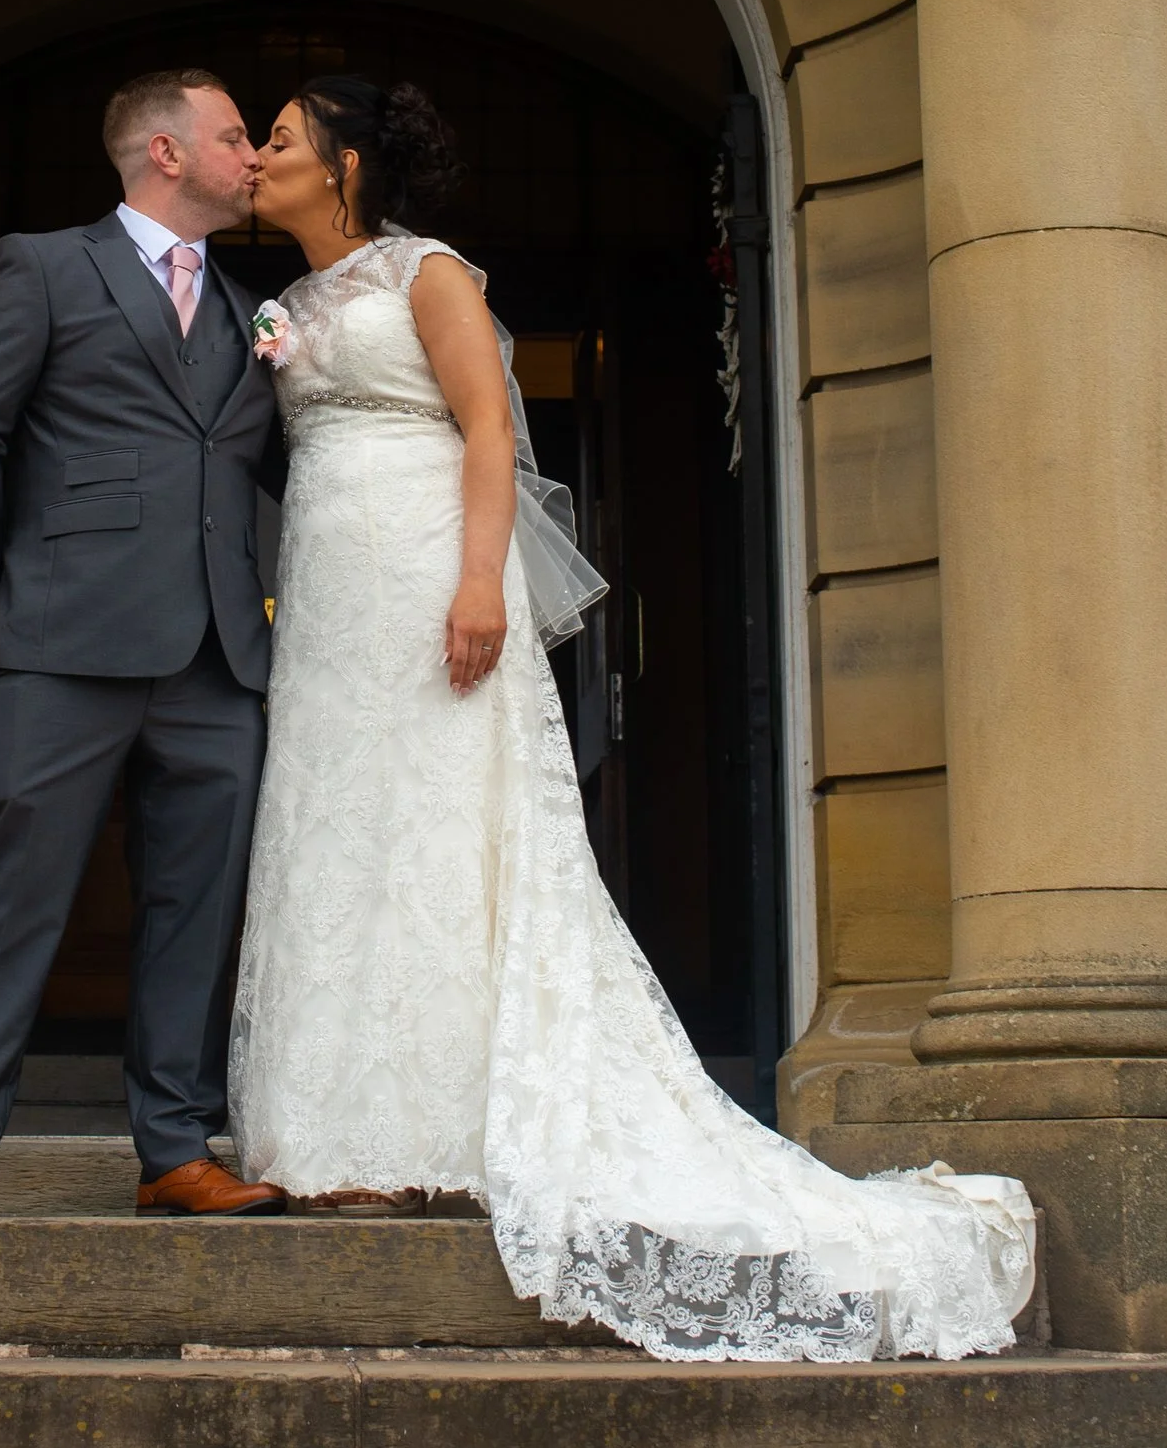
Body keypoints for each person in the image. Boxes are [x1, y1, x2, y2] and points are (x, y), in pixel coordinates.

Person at [230, 74, 1037, 1362]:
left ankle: (445, 1126)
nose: (257, 156)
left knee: (443, 830)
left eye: (276, 138)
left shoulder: (427, 275)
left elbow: (489, 429)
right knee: (337, 830)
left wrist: (482, 579)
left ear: (341, 167)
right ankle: (337, 1135)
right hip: (326, 591)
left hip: (429, 566)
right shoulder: (283, 306)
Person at [0, 67, 289, 1222]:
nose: (252, 156)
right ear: (164, 151)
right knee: (13, 895)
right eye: (235, 135)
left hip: (215, 662)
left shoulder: (259, 314)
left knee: (196, 908)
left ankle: (178, 1149)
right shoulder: (45, 265)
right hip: (57, 638)